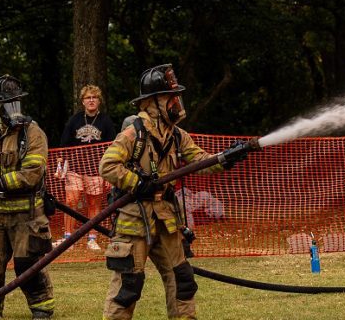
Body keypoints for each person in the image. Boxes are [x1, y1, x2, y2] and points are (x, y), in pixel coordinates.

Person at [99, 64, 258, 320]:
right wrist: (137, 183)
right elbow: (107, 166)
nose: (176, 102)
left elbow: (201, 161)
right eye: (170, 97)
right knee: (129, 284)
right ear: (152, 102)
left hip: (166, 218)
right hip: (134, 220)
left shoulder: (176, 135)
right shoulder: (133, 133)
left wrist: (229, 156)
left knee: (182, 278)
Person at [0, 75, 55, 320]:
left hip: (26, 212)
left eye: (15, 102)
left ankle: (42, 307)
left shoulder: (32, 132)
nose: (12, 108)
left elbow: (32, 173)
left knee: (28, 264)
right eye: (7, 103)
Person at [58, 85, 115, 250]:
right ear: (83, 101)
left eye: (94, 98)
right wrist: (60, 167)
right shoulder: (74, 120)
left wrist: (108, 173)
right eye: (88, 98)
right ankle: (68, 238)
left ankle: (92, 237)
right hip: (75, 169)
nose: (91, 100)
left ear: (99, 101)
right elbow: (63, 145)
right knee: (71, 201)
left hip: (96, 171)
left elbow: (112, 148)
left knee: (94, 204)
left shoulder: (106, 121)